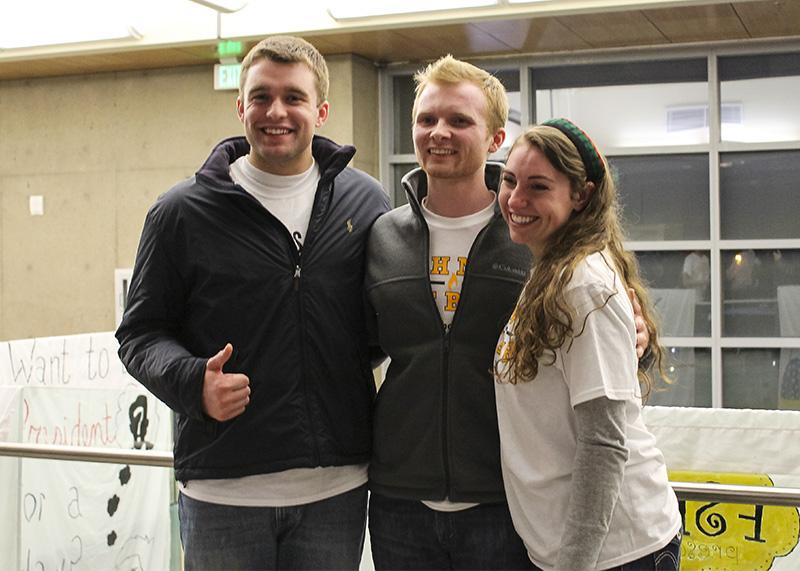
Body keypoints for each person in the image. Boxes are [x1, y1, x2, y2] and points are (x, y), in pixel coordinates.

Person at [364, 56, 651, 570]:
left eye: (459, 120)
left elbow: (606, 355)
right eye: (427, 119)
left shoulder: (537, 236)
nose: (439, 133)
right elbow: (356, 347)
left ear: (495, 138)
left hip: (504, 506)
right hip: (400, 501)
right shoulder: (382, 235)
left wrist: (641, 334)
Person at [115, 35, 389, 570]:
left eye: (294, 97)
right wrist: (193, 381)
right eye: (261, 97)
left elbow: (382, 324)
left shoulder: (367, 202)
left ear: (321, 110)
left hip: (337, 488)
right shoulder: (181, 213)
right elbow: (139, 334)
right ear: (240, 106)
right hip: (224, 493)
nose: (276, 112)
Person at [494, 119, 682, 571]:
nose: (516, 200)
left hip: (615, 550)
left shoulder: (582, 286)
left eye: (538, 187)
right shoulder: (551, 268)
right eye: (509, 180)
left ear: (580, 195)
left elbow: (605, 443)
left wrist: (573, 565)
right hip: (577, 549)